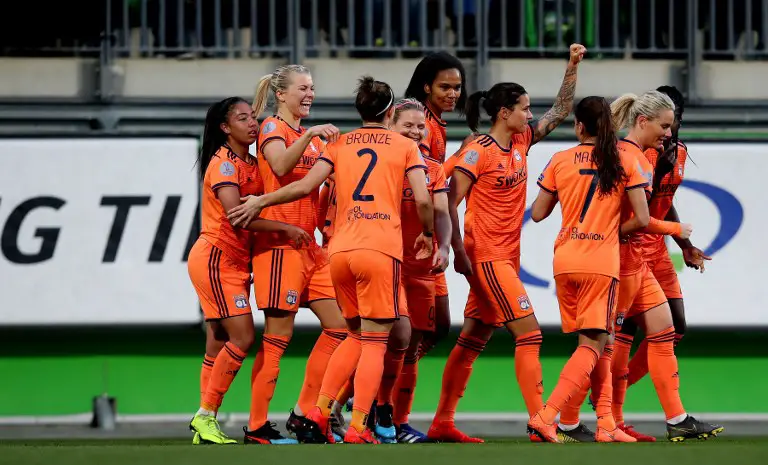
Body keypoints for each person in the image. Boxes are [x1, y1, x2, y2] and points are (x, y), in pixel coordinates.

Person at [229, 76, 436, 444]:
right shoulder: (404, 146)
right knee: (373, 340)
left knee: (349, 333)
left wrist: (262, 200)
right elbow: (423, 200)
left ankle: (316, 413)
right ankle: (356, 426)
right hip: (372, 247)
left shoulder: (338, 143)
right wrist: (428, 232)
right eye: (303, 87)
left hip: (336, 249)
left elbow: (307, 185)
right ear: (390, 112)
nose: (309, 93)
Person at [427, 44, 586, 444]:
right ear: (504, 113)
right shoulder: (477, 151)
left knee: (474, 337)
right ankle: (540, 420)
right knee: (529, 334)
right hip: (487, 258)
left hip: (506, 258)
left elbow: (560, 112)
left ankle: (442, 421)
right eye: (524, 108)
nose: (530, 115)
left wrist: (571, 66)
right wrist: (458, 252)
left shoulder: (520, 142)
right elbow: (446, 201)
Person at [187, 97, 312, 445]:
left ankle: (205, 421)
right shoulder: (224, 165)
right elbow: (237, 215)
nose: (252, 124)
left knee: (218, 344)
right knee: (242, 338)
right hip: (216, 257)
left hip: (234, 262)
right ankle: (205, 416)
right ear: (225, 128)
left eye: (253, 117)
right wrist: (286, 229)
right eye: (242, 119)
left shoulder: (253, 162)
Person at [527, 96, 651, 443]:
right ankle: (547, 416)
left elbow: (537, 213)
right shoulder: (626, 159)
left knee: (600, 340)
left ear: (578, 126)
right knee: (593, 344)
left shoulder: (560, 159)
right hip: (600, 261)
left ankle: (605, 422)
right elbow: (641, 218)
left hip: (565, 260)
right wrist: (612, 230)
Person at [608, 91, 723, 442]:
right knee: (624, 334)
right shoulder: (639, 153)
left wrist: (685, 247)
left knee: (674, 328)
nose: (670, 129)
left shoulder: (677, 152)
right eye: (665, 122)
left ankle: (613, 396)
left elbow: (663, 202)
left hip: (656, 250)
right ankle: (610, 408)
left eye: (674, 121)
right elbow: (637, 208)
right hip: (629, 248)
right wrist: (677, 233)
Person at [245, 64, 348, 444]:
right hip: (277, 248)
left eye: (312, 88)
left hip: (309, 247)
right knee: (277, 338)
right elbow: (281, 165)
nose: (309, 94)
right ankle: (256, 426)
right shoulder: (273, 128)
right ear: (281, 95)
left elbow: (319, 188)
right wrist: (312, 137)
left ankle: (303, 414)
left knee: (341, 326)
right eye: (302, 88)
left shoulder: (311, 137)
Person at [372, 98, 452, 443]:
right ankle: (370, 410)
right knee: (385, 341)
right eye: (408, 125)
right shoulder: (380, 164)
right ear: (391, 123)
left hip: (421, 267)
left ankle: (398, 420)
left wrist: (444, 246)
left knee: (415, 340)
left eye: (421, 126)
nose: (416, 132)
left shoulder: (433, 168)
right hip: (386, 262)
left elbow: (443, 212)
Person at [402, 51, 472, 364]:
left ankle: (381, 400)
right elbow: (425, 172)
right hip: (414, 237)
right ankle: (369, 399)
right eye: (445, 87)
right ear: (427, 87)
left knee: (433, 328)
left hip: (428, 236)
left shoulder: (435, 123)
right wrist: (464, 155)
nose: (453, 93)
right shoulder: (422, 124)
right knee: (417, 330)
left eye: (457, 87)